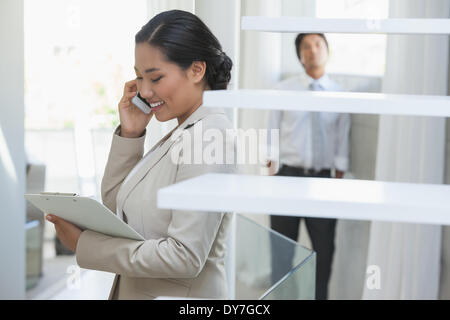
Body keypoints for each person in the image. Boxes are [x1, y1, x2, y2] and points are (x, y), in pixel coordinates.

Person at [45, 10, 236, 300]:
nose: (144, 91)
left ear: (197, 70)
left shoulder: (208, 138)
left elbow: (184, 257)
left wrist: (85, 244)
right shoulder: (184, 132)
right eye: (138, 77)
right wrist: (130, 134)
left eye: (155, 78)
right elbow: (118, 210)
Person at [267, 33, 351, 300]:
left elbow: (342, 137)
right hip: (287, 178)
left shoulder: (340, 94)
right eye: (306, 46)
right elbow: (271, 131)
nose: (313, 50)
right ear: (299, 55)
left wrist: (338, 173)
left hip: (323, 182)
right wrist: (271, 168)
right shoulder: (283, 90)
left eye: (318, 45)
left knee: (323, 254)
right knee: (281, 254)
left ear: (327, 50)